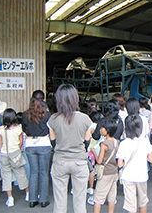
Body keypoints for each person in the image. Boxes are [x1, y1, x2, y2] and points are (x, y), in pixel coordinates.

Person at [48, 84, 93, 213]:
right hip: (79, 162)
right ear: (75, 98)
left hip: (60, 161)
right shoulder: (85, 119)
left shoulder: (53, 119)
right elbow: (87, 141)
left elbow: (53, 141)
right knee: (79, 202)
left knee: (59, 202)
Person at [117, 114, 152, 213]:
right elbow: (151, 159)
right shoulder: (145, 141)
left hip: (128, 177)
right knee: (143, 201)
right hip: (141, 176)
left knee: (131, 205)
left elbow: (120, 164)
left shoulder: (124, 143)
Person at [22, 97, 51, 208]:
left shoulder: (25, 114)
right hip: (43, 142)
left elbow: (24, 129)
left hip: (30, 143)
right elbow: (50, 128)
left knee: (33, 173)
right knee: (43, 173)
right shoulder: (47, 115)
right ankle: (43, 200)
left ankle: (32, 200)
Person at [0, 108, 29, 208]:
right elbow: (20, 143)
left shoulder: (0, 129)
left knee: (6, 176)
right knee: (21, 174)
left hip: (4, 154)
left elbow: (0, 143)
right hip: (15, 153)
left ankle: (10, 198)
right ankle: (28, 194)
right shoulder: (18, 129)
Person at [90, 118, 119, 213]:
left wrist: (94, 152)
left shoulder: (104, 144)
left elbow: (99, 161)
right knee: (111, 197)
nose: (100, 129)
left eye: (102, 128)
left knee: (98, 198)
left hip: (105, 173)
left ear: (107, 130)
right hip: (114, 172)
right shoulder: (116, 142)